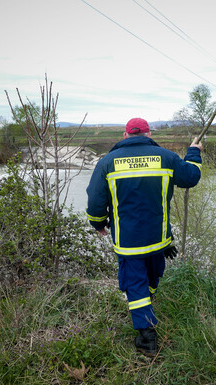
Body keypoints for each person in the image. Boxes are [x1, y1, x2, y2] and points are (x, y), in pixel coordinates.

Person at [86, 117, 202, 356]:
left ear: (125, 135)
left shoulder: (107, 162)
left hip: (128, 242)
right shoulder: (165, 157)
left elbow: (95, 200)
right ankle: (146, 307)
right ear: (149, 134)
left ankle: (147, 337)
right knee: (149, 277)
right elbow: (191, 177)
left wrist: (98, 223)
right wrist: (194, 151)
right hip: (158, 239)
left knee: (136, 284)